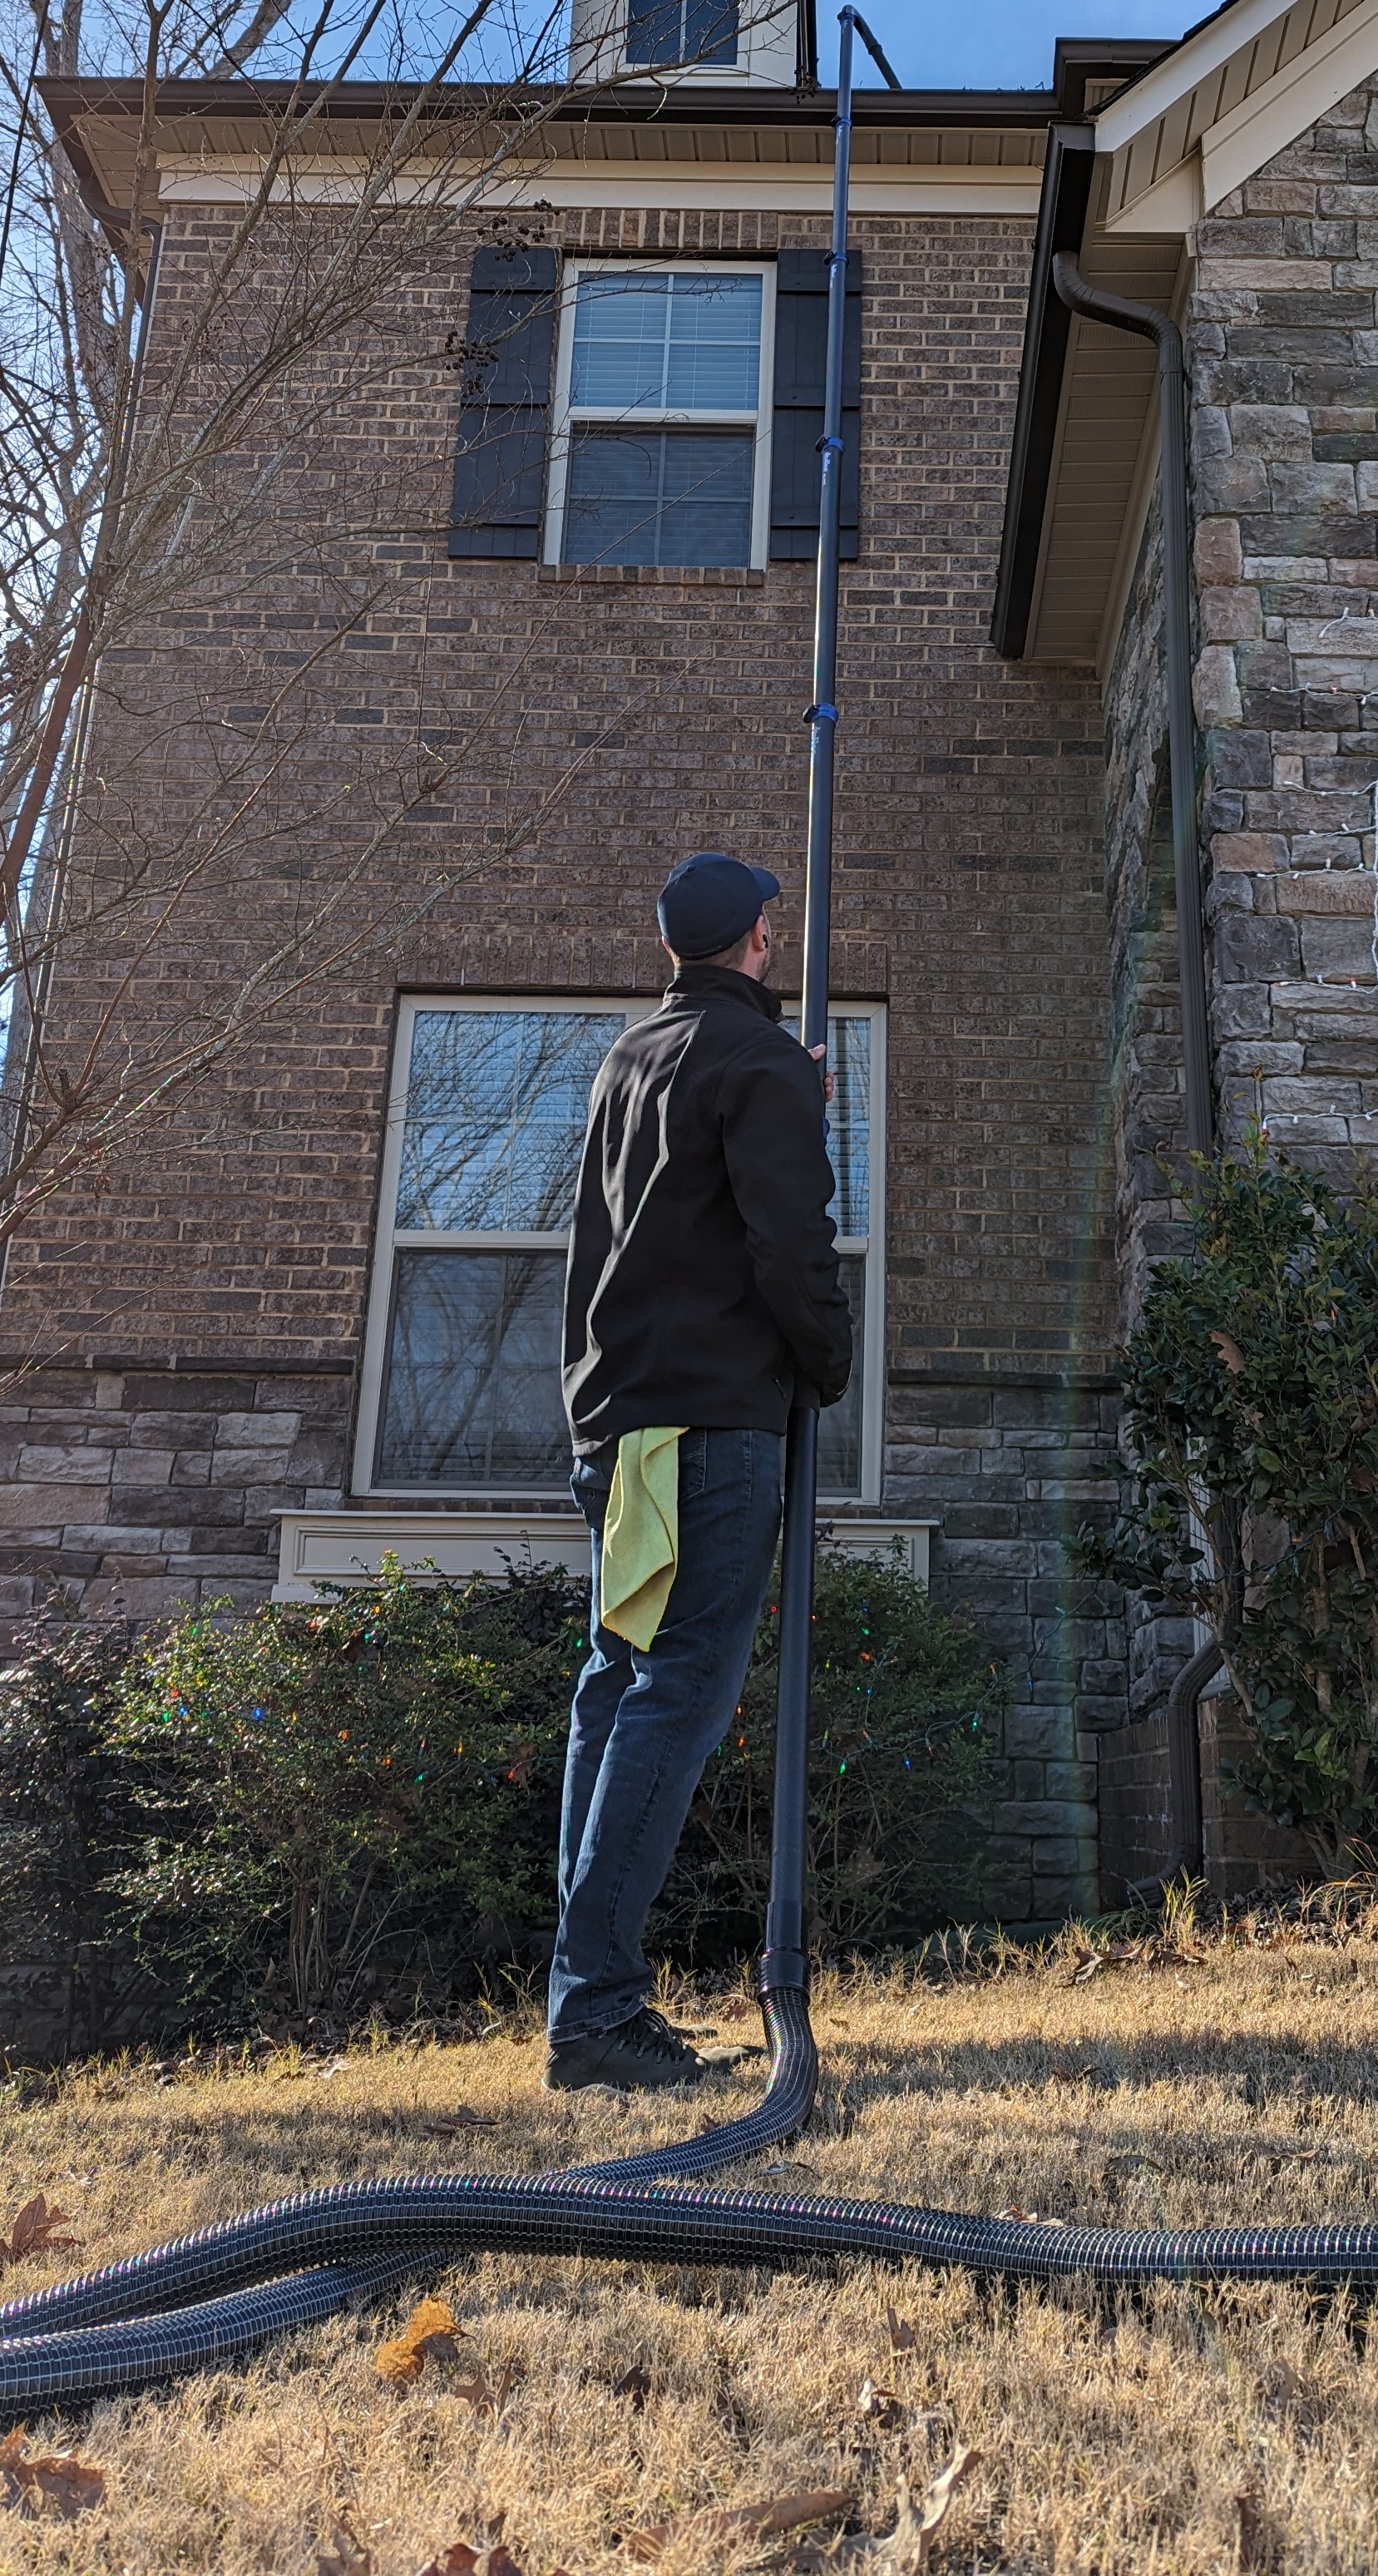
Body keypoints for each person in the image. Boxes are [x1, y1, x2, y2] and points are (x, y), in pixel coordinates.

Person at [545, 849, 853, 2093]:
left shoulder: (632, 1061)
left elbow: (617, 1237)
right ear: (760, 942)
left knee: (616, 1690)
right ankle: (597, 2014)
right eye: (773, 926)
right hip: (715, 1434)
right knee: (670, 1698)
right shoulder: (761, 1066)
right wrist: (825, 1368)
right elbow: (793, 1248)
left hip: (619, 1431)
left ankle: (586, 1998)